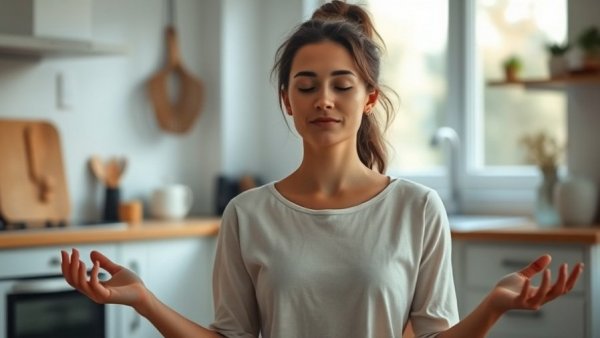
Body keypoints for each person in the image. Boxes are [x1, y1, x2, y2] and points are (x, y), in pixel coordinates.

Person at [61, 1, 584, 337]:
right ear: (287, 99)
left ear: (370, 97)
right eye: (306, 86)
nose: (324, 101)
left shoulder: (417, 208)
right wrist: (146, 302)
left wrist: (490, 307)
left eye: (342, 85)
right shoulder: (247, 214)